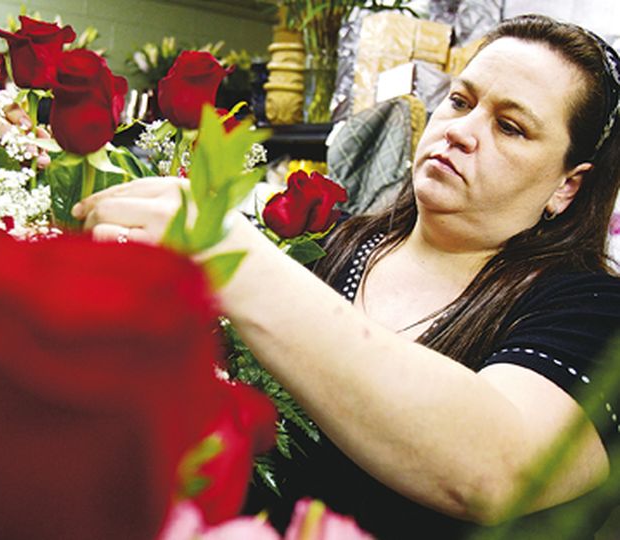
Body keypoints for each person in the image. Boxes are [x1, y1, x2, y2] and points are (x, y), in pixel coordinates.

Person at [73, 14, 620, 538]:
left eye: (510, 127)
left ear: (567, 185)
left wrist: (233, 258)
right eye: (460, 101)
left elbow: (500, 472)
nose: (461, 132)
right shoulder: (329, 242)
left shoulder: (591, 309)